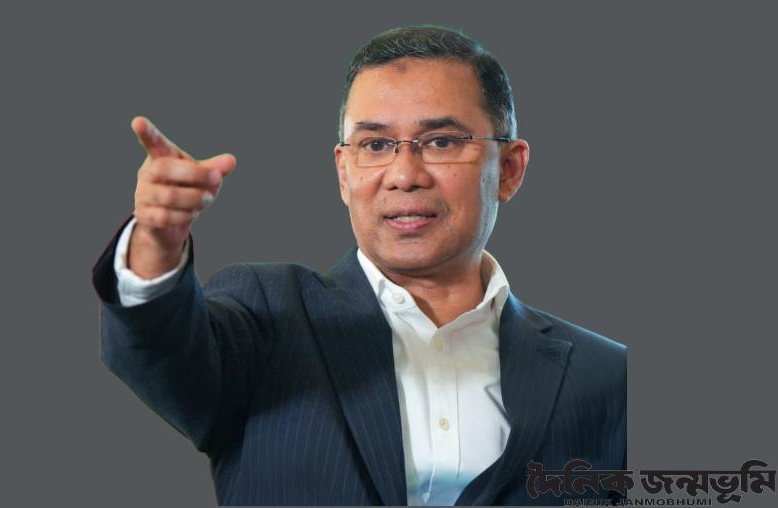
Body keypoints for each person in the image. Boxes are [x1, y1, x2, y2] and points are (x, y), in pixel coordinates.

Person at [92, 25, 626, 506]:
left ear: (508, 169)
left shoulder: (607, 377)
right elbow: (165, 354)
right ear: (344, 173)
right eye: (375, 144)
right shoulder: (268, 315)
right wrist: (157, 243)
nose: (404, 175)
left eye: (441, 141)